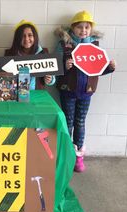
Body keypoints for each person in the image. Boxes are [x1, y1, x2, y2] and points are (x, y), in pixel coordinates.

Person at [54, 11, 116, 172]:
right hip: (67, 91)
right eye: (80, 27)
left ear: (91, 29)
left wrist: (109, 68)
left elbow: (97, 69)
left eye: (87, 27)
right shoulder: (63, 45)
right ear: (73, 28)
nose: (83, 30)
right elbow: (53, 68)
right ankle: (66, 154)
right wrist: (65, 67)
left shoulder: (94, 46)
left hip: (87, 91)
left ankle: (78, 155)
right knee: (67, 122)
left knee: (80, 122)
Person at [4, 20, 56, 89]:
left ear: (35, 37)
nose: (26, 39)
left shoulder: (43, 53)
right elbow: (3, 77)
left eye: (30, 35)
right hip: (16, 94)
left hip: (37, 95)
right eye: (23, 36)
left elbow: (52, 77)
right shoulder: (9, 54)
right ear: (18, 38)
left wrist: (50, 79)